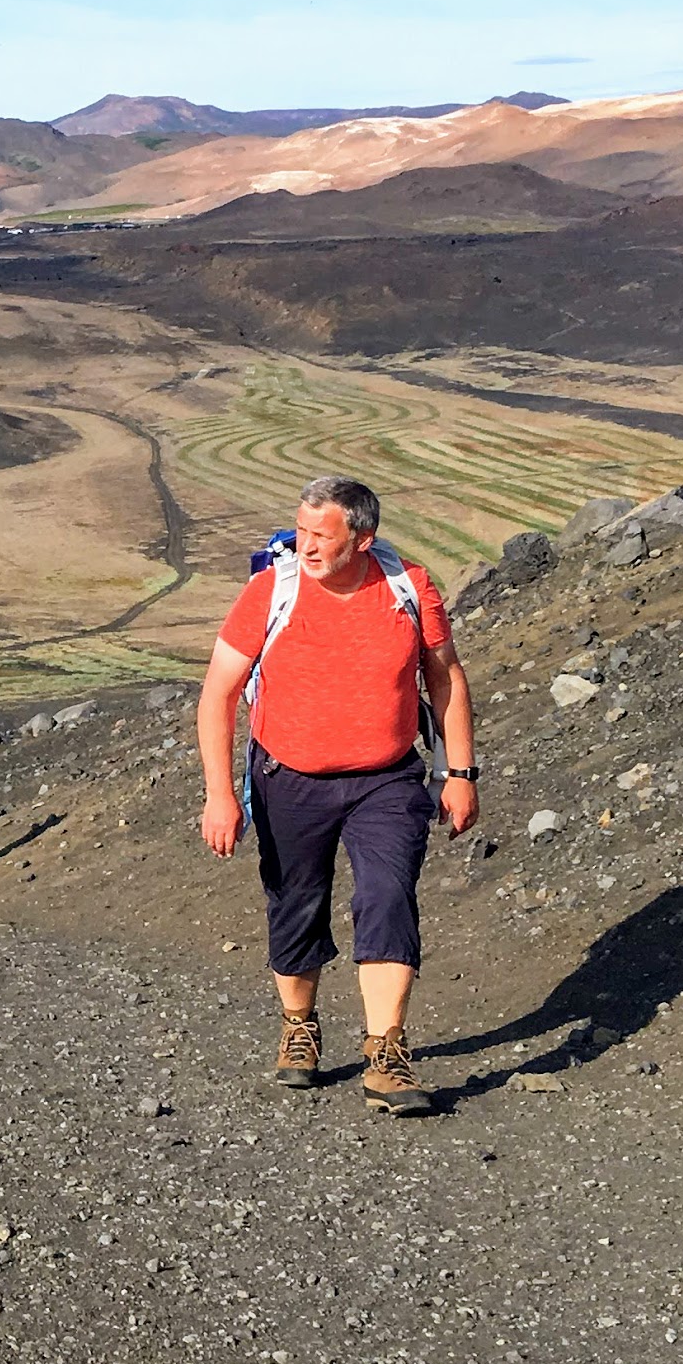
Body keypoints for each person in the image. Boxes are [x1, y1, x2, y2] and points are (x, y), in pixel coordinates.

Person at [196, 473, 479, 1117]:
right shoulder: (272, 591)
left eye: (321, 536)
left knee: (387, 895)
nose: (306, 547)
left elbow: (446, 678)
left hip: (387, 777)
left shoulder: (410, 587)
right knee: (297, 903)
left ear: (363, 537)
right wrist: (220, 794)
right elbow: (217, 694)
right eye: (300, 532)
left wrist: (458, 773)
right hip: (287, 776)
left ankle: (386, 1052)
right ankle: (300, 1025)